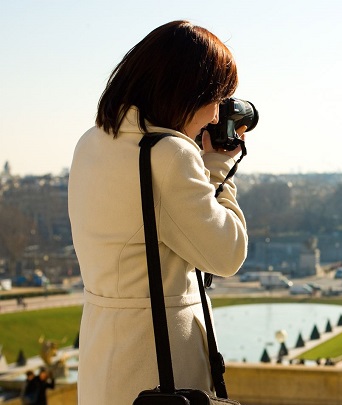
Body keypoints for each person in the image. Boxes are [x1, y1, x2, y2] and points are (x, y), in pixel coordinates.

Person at [68, 21, 249, 405]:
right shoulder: (170, 155)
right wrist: (216, 167)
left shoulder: (92, 142)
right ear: (187, 91)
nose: (217, 116)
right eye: (216, 98)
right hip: (159, 362)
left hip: (106, 353)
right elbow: (227, 253)